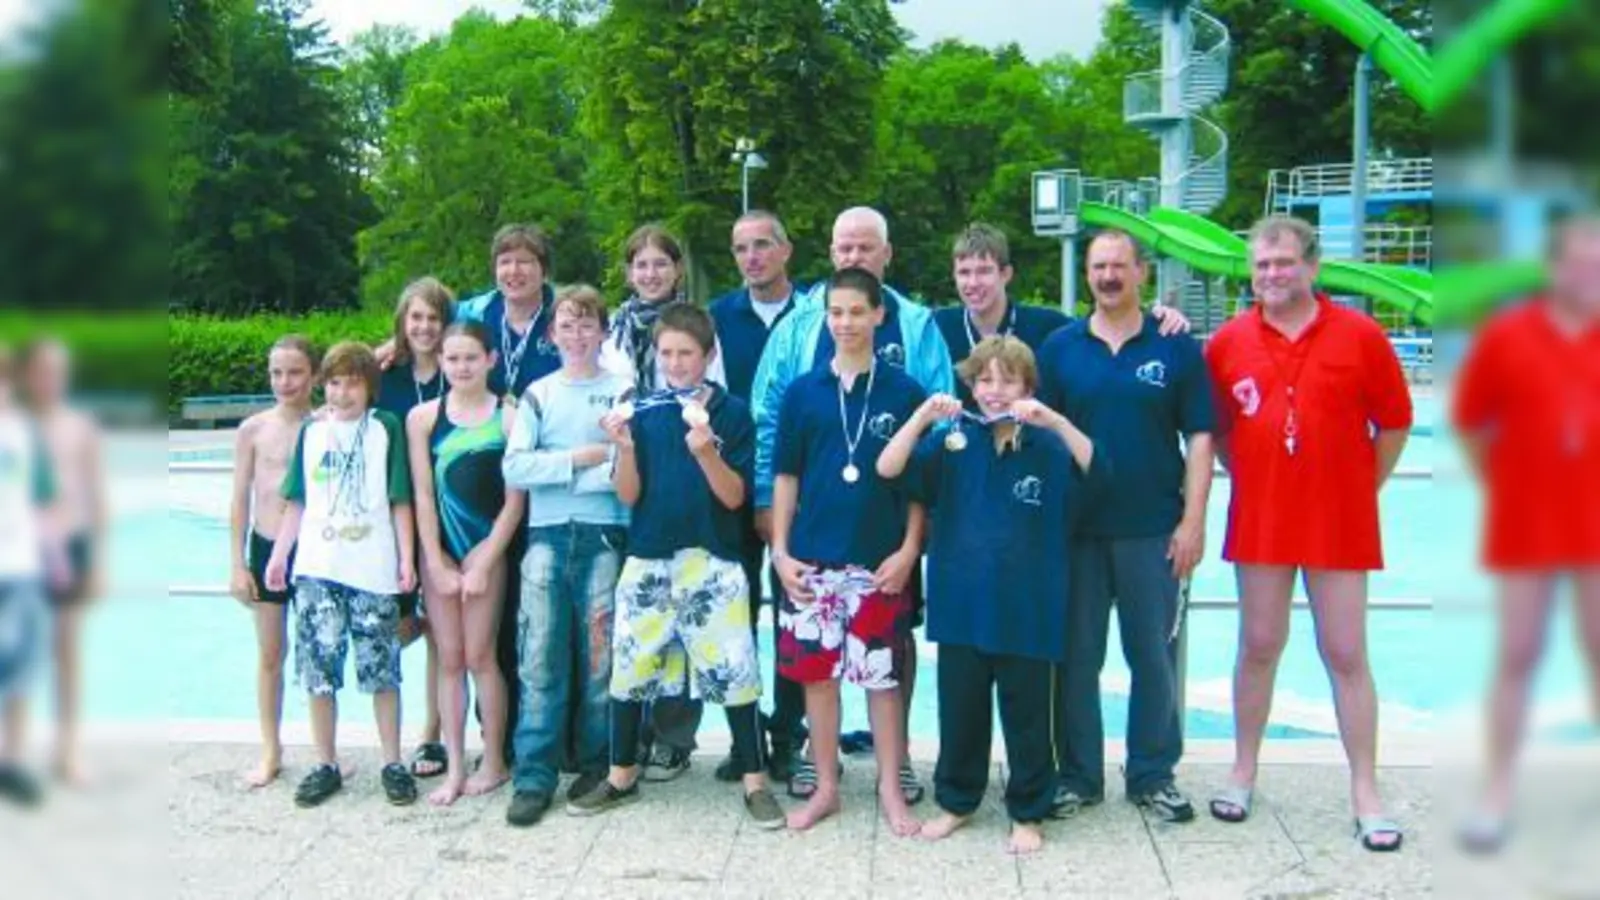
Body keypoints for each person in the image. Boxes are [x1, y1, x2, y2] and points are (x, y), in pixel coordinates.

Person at [1203, 216, 1411, 851]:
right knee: (1259, 644)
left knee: (1346, 652)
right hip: (1263, 516)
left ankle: (1365, 792)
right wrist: (1263, 478)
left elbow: (1395, 424)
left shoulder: (1361, 335)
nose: (1271, 274)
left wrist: (1355, 487)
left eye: (1284, 263)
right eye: (1261, 265)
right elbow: (1216, 437)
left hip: (1339, 520)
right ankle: (1242, 772)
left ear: (1312, 266)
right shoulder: (1228, 342)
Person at [752, 206, 953, 803]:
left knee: (888, 654)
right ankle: (819, 763)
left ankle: (900, 765)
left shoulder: (915, 329)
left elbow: (935, 440)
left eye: (866, 249)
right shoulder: (797, 329)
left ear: (886, 255)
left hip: (883, 536)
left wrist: (914, 541)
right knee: (814, 656)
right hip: (813, 532)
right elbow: (771, 423)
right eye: (845, 248)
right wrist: (771, 520)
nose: (854, 258)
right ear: (831, 251)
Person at [878, 335, 1106, 855]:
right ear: (971, 386)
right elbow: (889, 469)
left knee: (1028, 717)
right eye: (985, 379)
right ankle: (958, 801)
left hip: (1030, 607)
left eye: (1008, 379)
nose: (995, 390)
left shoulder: (1048, 446)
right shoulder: (954, 441)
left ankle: (1029, 810)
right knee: (961, 711)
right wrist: (921, 419)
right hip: (962, 603)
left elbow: (1099, 470)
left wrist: (1055, 421)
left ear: (1029, 387)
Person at [568, 304, 784, 829]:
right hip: (648, 555)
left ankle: (756, 781)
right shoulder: (641, 410)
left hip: (712, 558)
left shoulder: (732, 413)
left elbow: (735, 498)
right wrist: (622, 447)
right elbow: (629, 494)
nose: (676, 362)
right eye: (667, 353)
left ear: (709, 355)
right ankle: (621, 775)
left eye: (687, 353)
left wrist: (707, 451)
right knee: (630, 666)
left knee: (736, 669)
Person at [1038, 230, 1216, 824]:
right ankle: (1080, 776)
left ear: (1141, 272)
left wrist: (1193, 521)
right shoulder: (1061, 349)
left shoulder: (1175, 348)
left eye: (1119, 265)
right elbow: (1041, 439)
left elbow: (1200, 439)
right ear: (1086, 275)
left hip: (1152, 529)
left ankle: (1152, 774)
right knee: (1076, 659)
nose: (1108, 276)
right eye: (1098, 266)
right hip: (1078, 532)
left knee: (1152, 657)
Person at [1451, 217, 1600, 854]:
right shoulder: (1508, 335)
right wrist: (1513, 485)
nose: (1588, 274)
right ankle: (1498, 791)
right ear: (1554, 266)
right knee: (1517, 655)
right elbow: (1472, 423)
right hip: (1526, 522)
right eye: (1578, 261)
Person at [770, 268, 926, 836]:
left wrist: (910, 551)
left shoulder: (903, 392)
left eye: (857, 312)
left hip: (878, 564)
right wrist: (781, 553)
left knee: (882, 682)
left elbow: (917, 487)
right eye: (836, 313)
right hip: (813, 562)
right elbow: (785, 479)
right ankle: (828, 786)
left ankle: (891, 787)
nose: (845, 323)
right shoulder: (803, 393)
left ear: (879, 315)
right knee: (818, 678)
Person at [265, 341, 419, 809]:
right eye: (334, 382)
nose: (343, 392)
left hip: (371, 569)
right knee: (318, 672)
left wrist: (406, 559)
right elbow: (297, 501)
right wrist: (279, 555)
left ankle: (392, 761)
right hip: (317, 569)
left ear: (370, 387)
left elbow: (399, 500)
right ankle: (326, 762)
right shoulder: (312, 434)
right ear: (322, 386)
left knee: (382, 671)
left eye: (353, 382)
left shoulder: (384, 428)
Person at [501, 285, 632, 827]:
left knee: (601, 659)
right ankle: (534, 773)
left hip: (605, 534)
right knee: (539, 659)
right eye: (567, 326)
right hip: (547, 535)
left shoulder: (625, 389)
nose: (577, 336)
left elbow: (628, 468)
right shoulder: (538, 393)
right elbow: (514, 468)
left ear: (603, 332)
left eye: (587, 325)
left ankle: (596, 762)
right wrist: (581, 458)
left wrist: (561, 469)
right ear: (552, 333)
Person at [600, 224, 726, 782]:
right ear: (629, 272)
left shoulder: (700, 329)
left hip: (688, 476)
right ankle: (628, 737)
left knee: (687, 620)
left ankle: (674, 735)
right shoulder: (614, 331)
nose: (650, 273)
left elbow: (711, 402)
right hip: (633, 472)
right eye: (640, 264)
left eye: (660, 263)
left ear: (677, 269)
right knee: (638, 624)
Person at [407, 323, 525, 806]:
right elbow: (421, 495)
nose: (461, 368)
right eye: (452, 359)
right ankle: (454, 767)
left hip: (486, 552)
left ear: (490, 360)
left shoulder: (510, 418)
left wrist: (484, 560)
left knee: (481, 657)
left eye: (471, 358)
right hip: (442, 553)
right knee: (449, 660)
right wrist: (433, 560)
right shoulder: (423, 418)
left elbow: (516, 502)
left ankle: (493, 759)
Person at [708, 209, 805, 782]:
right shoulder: (719, 319)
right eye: (741, 248)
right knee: (733, 616)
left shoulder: (817, 316)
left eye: (763, 245)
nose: (752, 258)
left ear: (786, 250)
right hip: (732, 488)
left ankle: (789, 732)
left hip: (798, 486)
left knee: (794, 612)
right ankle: (744, 736)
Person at [227, 334, 318, 789]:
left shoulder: (325, 425)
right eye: (277, 372)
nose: (286, 382)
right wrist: (237, 564)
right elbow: (239, 500)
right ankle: (271, 749)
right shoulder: (253, 430)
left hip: (315, 550)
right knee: (270, 653)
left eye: (296, 372)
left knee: (321, 653)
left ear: (314, 376)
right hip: (265, 547)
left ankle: (326, 751)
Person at [21, 339, 108, 787]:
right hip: (19, 551)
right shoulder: (13, 425)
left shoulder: (80, 427)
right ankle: (12, 748)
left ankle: (66, 748)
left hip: (70, 546)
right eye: (41, 371)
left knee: (66, 653)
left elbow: (95, 497)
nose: (49, 381)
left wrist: (97, 563)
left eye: (57, 372)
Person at [375, 277, 452, 780]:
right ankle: (388, 743)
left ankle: (432, 735)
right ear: (403, 323)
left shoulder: (460, 370)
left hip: (449, 520)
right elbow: (334, 386)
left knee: (441, 637)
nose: (424, 327)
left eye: (433, 318)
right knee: (398, 629)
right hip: (391, 517)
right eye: (415, 318)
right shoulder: (384, 375)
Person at [0, 343, 70, 807]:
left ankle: (11, 761)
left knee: (21, 669)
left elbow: (44, 501)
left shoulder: (25, 433)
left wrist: (57, 558)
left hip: (21, 565)